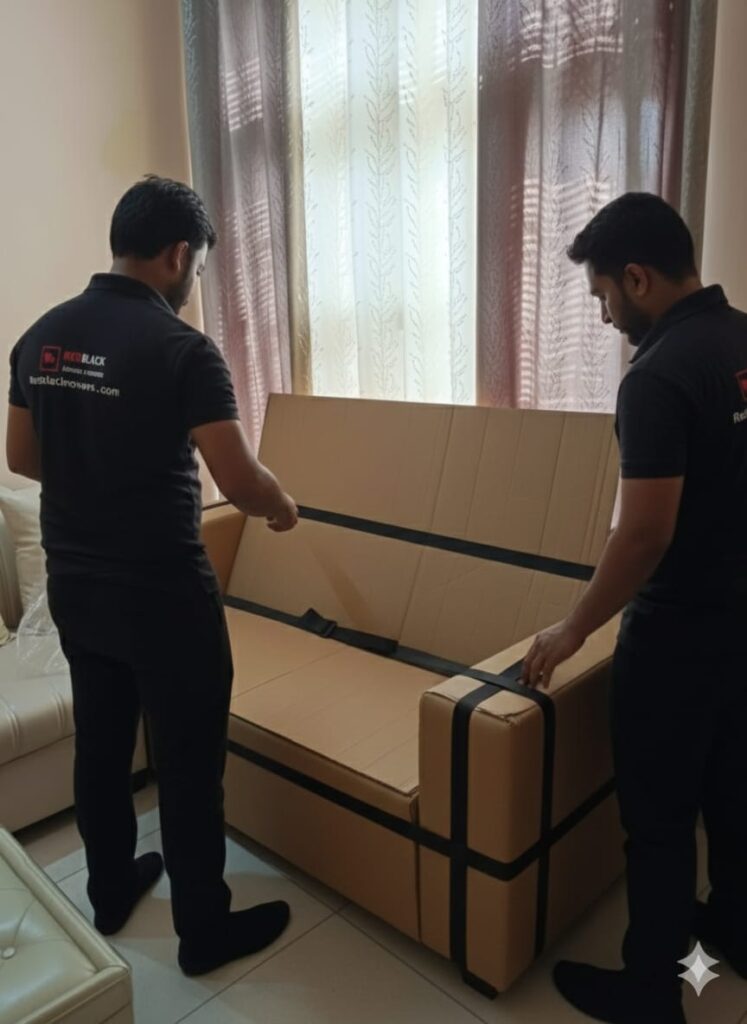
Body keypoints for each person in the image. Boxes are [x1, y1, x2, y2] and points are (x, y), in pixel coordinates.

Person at [6, 175, 299, 976]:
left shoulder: (40, 337)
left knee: (101, 747)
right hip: (164, 596)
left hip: (77, 587)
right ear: (178, 254)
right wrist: (281, 507)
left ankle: (107, 890)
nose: (193, 280)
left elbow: (21, 457)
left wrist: (93, 471)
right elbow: (239, 480)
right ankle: (204, 930)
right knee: (189, 763)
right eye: (196, 266)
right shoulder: (182, 350)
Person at [521, 192, 747, 1024]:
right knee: (734, 795)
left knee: (658, 821)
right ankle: (734, 931)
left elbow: (645, 532)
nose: (604, 314)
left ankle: (651, 990)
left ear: (638, 277)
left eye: (603, 294)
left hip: (678, 635)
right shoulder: (740, 338)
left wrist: (572, 628)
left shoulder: (656, 375)